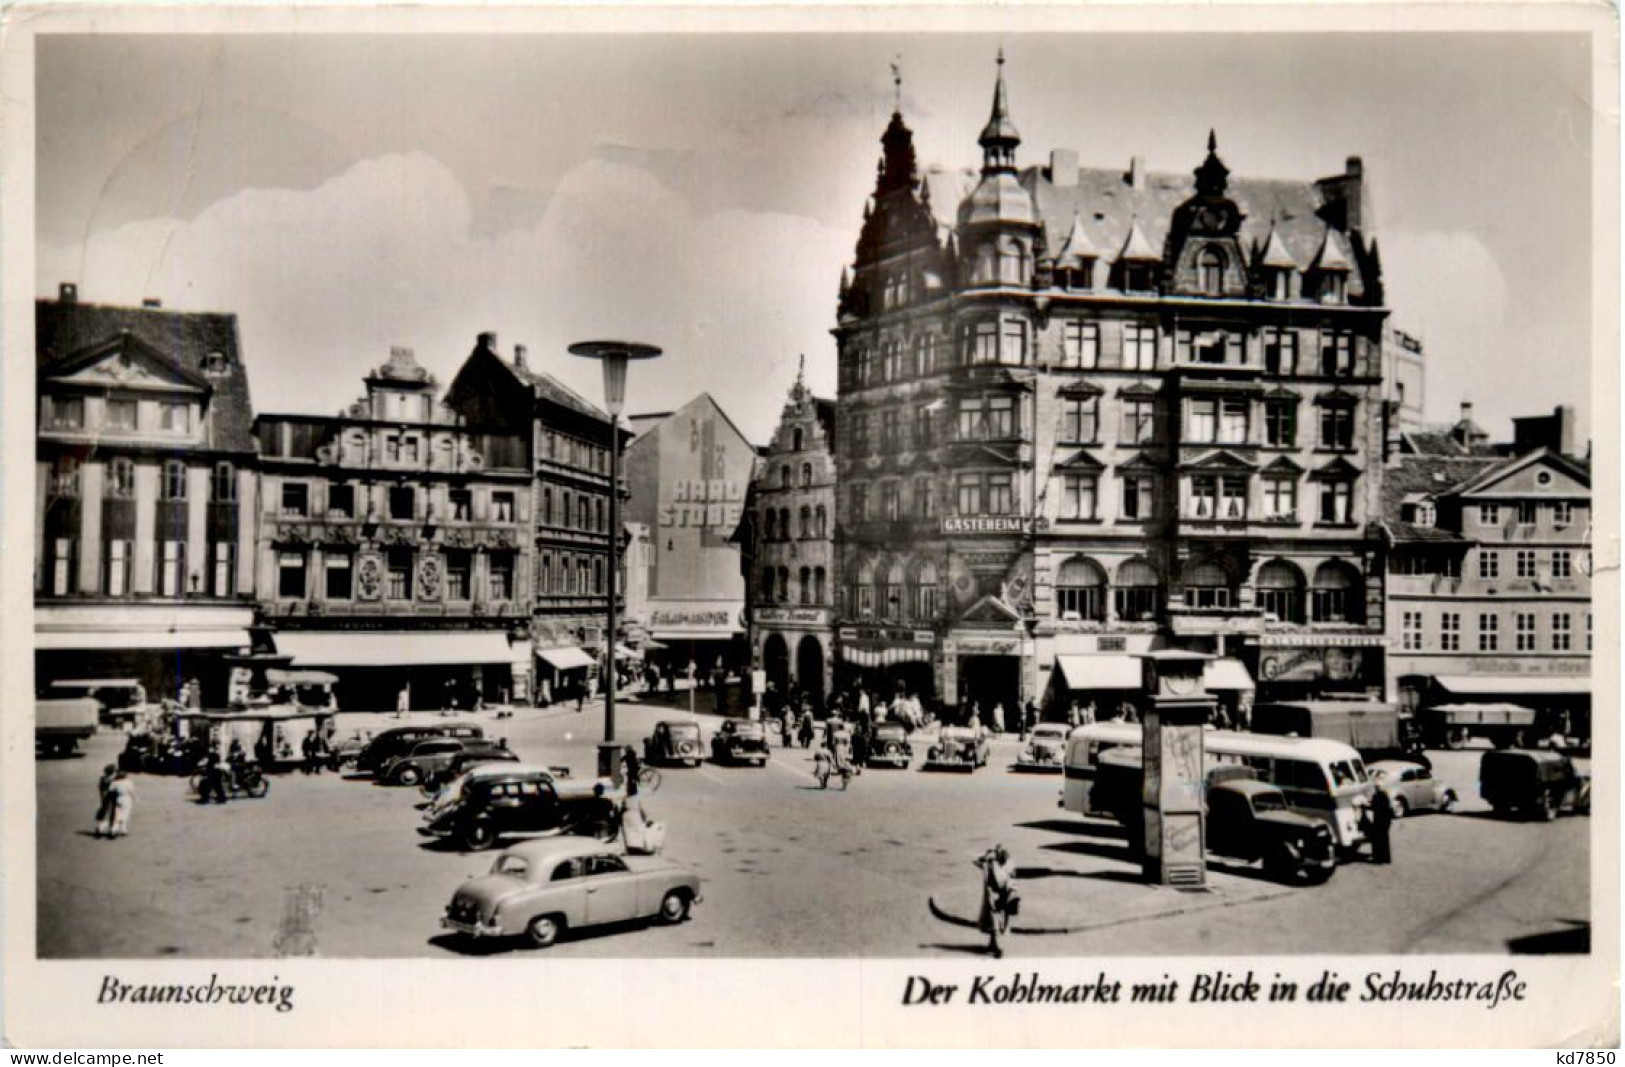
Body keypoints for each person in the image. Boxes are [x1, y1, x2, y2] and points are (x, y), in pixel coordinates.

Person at [975, 845, 1015, 958]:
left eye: (1004, 853)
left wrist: (1012, 892)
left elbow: (1013, 879)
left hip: (1004, 897)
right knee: (994, 923)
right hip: (993, 897)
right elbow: (976, 861)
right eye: (1000, 853)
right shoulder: (991, 864)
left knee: (1000, 923)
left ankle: (993, 944)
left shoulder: (1009, 865)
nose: (1003, 855)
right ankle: (996, 947)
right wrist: (986, 854)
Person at [1364, 789, 1394, 865]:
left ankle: (1378, 858)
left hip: (1379, 820)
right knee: (1385, 840)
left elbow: (1373, 807)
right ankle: (1386, 858)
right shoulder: (1385, 795)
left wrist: (1364, 806)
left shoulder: (1376, 796)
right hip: (1386, 820)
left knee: (1377, 840)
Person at [105, 771, 135, 838]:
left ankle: (114, 829)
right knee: (126, 813)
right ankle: (122, 829)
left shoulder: (115, 782)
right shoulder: (128, 782)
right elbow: (131, 791)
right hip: (126, 798)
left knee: (118, 814)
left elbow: (110, 791)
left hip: (118, 798)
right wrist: (134, 798)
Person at [94, 764, 118, 837]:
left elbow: (101, 789)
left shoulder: (103, 778)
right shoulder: (115, 779)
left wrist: (102, 796)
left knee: (104, 811)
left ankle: (100, 827)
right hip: (114, 796)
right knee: (113, 812)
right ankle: (111, 829)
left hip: (105, 796)